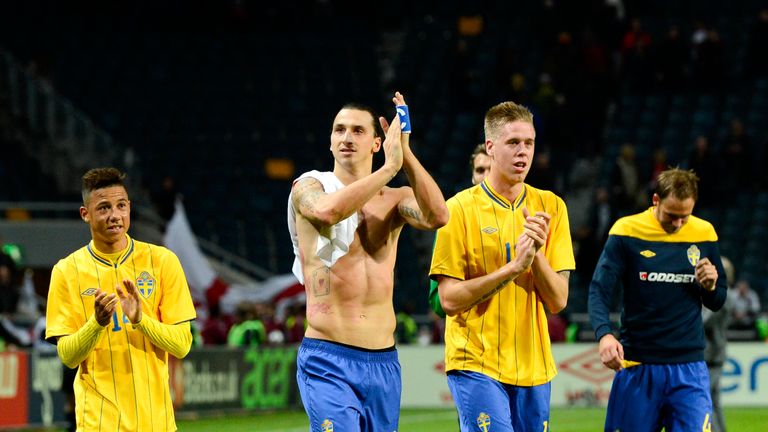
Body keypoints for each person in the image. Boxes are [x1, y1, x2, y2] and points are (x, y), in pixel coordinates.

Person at [287, 91, 448, 431]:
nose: (346, 138)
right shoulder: (309, 186)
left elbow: (438, 216)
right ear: (330, 141)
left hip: (383, 361)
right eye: (339, 130)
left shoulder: (395, 199)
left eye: (358, 131)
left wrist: (405, 154)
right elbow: (328, 212)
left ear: (378, 143)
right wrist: (390, 168)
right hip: (327, 356)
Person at [430, 101, 574, 431]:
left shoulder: (552, 207)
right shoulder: (458, 210)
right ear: (491, 148)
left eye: (529, 143)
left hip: (534, 365)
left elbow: (558, 301)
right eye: (513, 143)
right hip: (475, 361)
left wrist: (535, 255)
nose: (523, 152)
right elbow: (448, 299)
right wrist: (511, 269)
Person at [45, 167, 196, 432]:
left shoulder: (163, 262)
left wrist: (141, 320)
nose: (115, 215)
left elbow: (182, 345)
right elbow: (67, 356)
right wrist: (96, 323)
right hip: (98, 424)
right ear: (85, 214)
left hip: (156, 424)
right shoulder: (66, 271)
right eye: (103, 208)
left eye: (121, 205)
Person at [588, 167, 727, 432]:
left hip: (689, 369)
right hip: (638, 366)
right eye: (672, 216)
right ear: (655, 201)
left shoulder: (705, 233)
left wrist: (709, 286)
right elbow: (599, 290)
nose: (677, 224)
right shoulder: (627, 231)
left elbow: (718, 300)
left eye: (685, 217)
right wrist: (604, 334)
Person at [428, 143, 490, 318]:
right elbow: (439, 303)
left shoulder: (525, 215)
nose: (486, 176)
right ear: (472, 177)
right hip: (468, 336)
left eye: (492, 170)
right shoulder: (453, 217)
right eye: (480, 170)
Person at [703, 256, 734, 432]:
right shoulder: (726, 295)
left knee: (707, 400)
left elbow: (703, 321)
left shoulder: (722, 297)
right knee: (714, 401)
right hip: (715, 354)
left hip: (712, 355)